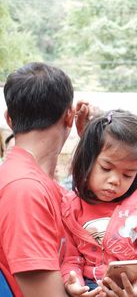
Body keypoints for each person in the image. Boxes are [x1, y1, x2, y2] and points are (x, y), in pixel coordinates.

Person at [0, 62, 94, 297]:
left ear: (9, 118)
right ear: (69, 117)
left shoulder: (39, 186)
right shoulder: (24, 191)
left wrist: (92, 143)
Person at [61, 109, 137, 297]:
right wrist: (72, 283)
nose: (115, 180)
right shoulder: (70, 207)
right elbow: (70, 258)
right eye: (106, 168)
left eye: (128, 175)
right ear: (87, 160)